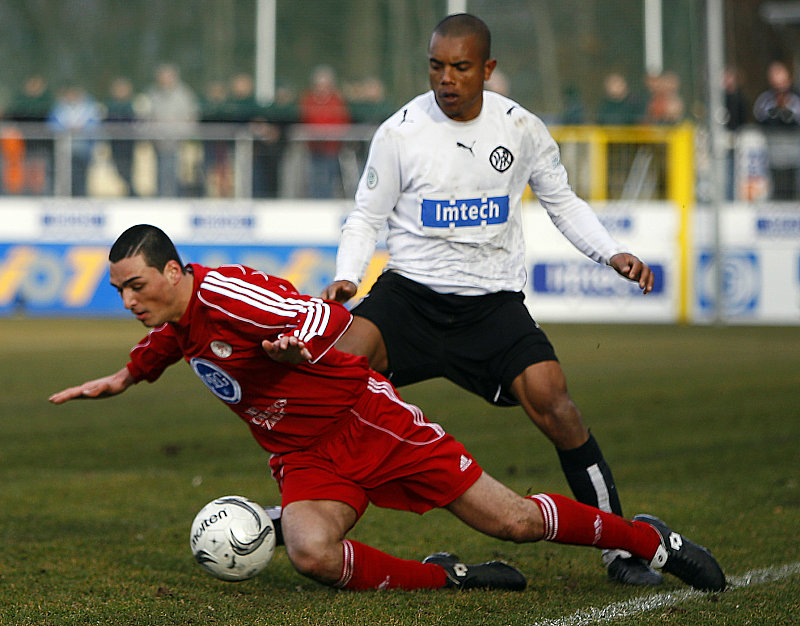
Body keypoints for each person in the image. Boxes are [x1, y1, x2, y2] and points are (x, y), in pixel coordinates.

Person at [48, 224, 726, 594]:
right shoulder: (181, 315)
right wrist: (124, 377)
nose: (129, 300)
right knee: (312, 553)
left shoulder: (227, 296)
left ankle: (648, 539)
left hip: (365, 419)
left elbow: (315, 313)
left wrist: (296, 346)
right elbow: (173, 342)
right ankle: (448, 578)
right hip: (305, 454)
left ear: (173, 272)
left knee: (513, 521)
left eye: (136, 285)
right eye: (119, 291)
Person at [321, 13, 659, 587]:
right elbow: (365, 217)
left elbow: (563, 202)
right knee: (332, 380)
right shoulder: (399, 131)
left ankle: (619, 547)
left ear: (488, 69)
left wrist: (610, 253)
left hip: (492, 306)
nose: (446, 79)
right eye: (436, 66)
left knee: (556, 402)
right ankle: (295, 519)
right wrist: (348, 276)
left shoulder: (521, 128)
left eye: (460, 67)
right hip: (411, 299)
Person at [141, 63, 200, 197]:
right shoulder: (152, 94)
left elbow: (191, 117)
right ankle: (161, 197)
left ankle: (174, 197)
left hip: (176, 141)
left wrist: (183, 135)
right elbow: (145, 116)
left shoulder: (184, 94)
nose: (165, 79)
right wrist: (150, 134)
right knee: (160, 170)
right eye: (162, 76)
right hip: (157, 140)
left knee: (175, 170)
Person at [299, 65, 351, 198]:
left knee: (330, 177)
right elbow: (303, 118)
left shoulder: (337, 100)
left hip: (331, 148)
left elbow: (342, 120)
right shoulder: (308, 99)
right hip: (313, 148)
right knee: (314, 178)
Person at [752, 60, 800, 200]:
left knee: (792, 187)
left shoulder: (795, 98)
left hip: (794, 155)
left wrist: (787, 114)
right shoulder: (766, 99)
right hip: (772, 155)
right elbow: (759, 118)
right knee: (776, 187)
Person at [47, 82, 102, 196]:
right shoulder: (59, 108)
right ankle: (65, 195)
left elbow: (95, 125)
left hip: (83, 147)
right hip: (64, 148)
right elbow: (52, 124)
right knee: (65, 173)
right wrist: (65, 129)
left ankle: (80, 195)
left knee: (81, 173)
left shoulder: (89, 107)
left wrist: (81, 129)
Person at [104, 77, 138, 196]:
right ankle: (130, 192)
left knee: (128, 169)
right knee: (118, 169)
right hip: (115, 143)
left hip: (128, 144)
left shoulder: (132, 105)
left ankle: (132, 193)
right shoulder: (110, 106)